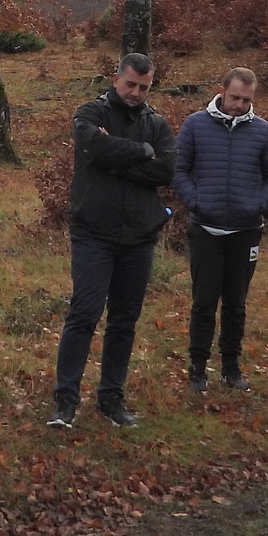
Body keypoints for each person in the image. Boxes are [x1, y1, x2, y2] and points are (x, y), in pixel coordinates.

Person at [49, 53, 176, 430]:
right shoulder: (91, 113)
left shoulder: (157, 123)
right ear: (115, 79)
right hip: (93, 234)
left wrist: (114, 155)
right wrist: (140, 153)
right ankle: (65, 400)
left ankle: (111, 398)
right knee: (84, 314)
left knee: (124, 321)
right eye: (130, 85)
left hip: (139, 236)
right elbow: (93, 149)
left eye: (144, 87)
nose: (136, 93)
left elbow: (166, 169)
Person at [170, 66, 268, 393]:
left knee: (236, 303)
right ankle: (197, 369)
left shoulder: (262, 131)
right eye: (235, 97)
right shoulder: (195, 125)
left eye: (246, 99)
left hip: (246, 231)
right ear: (222, 90)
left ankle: (231, 368)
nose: (239, 104)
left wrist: (259, 204)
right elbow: (179, 170)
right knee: (204, 301)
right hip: (206, 229)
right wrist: (196, 202)